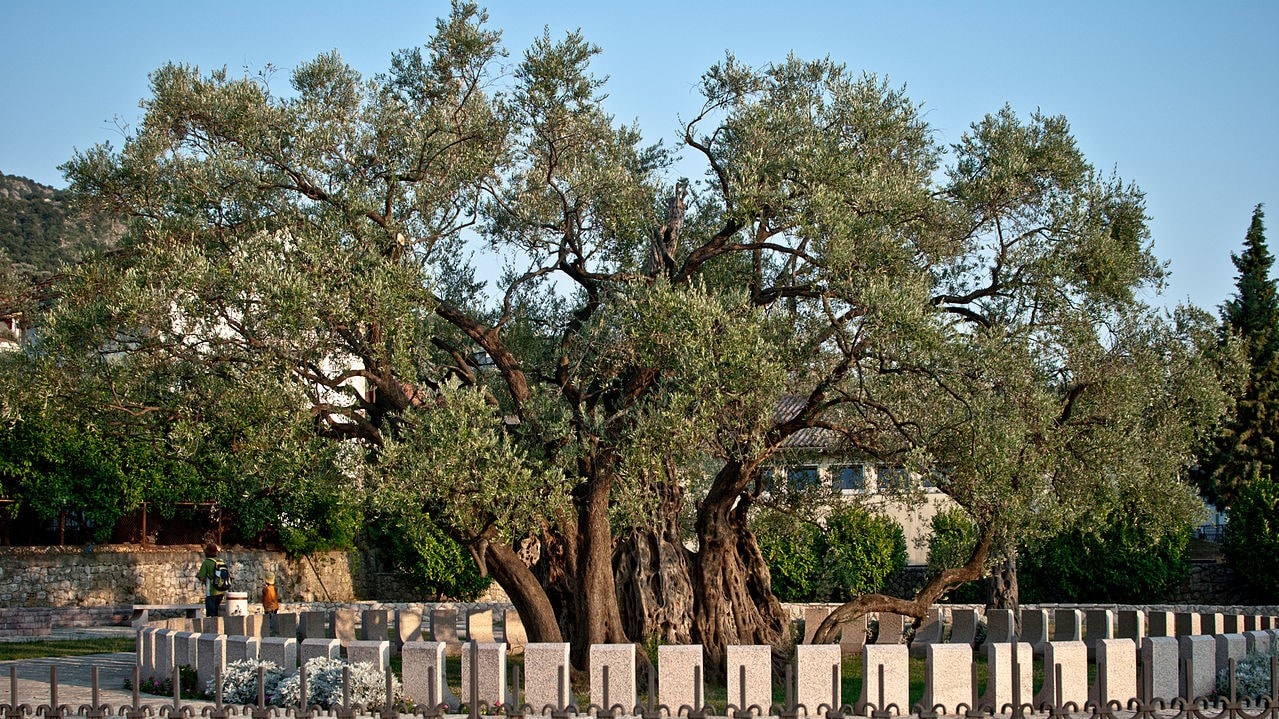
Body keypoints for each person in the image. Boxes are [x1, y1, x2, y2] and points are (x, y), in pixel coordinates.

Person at [195, 543, 227, 618]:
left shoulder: (207, 562)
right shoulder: (221, 561)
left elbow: (201, 576)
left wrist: (198, 576)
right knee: (217, 614)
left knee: (211, 616)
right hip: (221, 591)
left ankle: (211, 629)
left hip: (211, 592)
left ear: (207, 553)